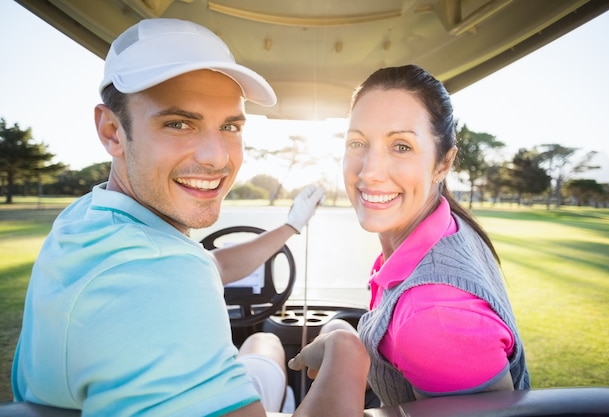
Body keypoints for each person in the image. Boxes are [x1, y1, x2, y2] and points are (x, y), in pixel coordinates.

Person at [11, 18, 369, 417]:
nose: (217, 158)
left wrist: (290, 226)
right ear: (112, 130)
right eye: (178, 123)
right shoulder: (164, 280)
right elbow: (172, 277)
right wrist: (345, 349)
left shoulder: (90, 218)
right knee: (268, 350)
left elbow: (212, 264)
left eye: (230, 125)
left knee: (262, 343)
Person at [290, 64, 530, 406]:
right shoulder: (444, 228)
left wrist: (342, 346)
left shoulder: (434, 315)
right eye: (358, 142)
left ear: (443, 164)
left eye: (401, 146)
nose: (369, 171)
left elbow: (428, 329)